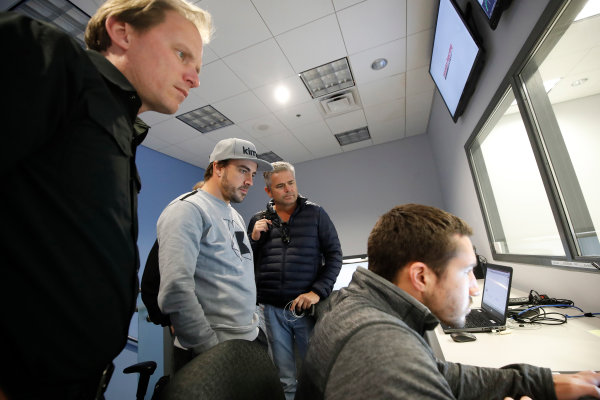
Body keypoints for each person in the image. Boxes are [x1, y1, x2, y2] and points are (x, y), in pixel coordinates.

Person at [0, 1, 212, 398]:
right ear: (122, 32)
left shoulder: (120, 130)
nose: (194, 78)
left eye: (198, 66)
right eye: (182, 54)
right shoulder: (51, 61)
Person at [296, 204, 600, 400]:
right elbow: (402, 369)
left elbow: (440, 376)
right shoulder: (380, 350)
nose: (473, 288)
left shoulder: (360, 304)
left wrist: (540, 383)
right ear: (422, 277)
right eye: (467, 272)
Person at [157, 138, 273, 372]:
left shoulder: (235, 216)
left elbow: (241, 267)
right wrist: (208, 349)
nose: (250, 181)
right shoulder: (187, 210)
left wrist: (256, 326)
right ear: (218, 167)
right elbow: (176, 290)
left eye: (252, 174)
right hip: (212, 351)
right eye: (242, 170)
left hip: (250, 338)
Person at [248, 161, 343, 400]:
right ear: (269, 191)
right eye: (280, 186)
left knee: (316, 372)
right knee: (284, 376)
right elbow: (245, 263)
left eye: (291, 183)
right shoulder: (258, 220)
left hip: (305, 309)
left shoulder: (316, 214)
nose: (289, 189)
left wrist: (317, 292)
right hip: (270, 309)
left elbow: (334, 256)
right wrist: (254, 239)